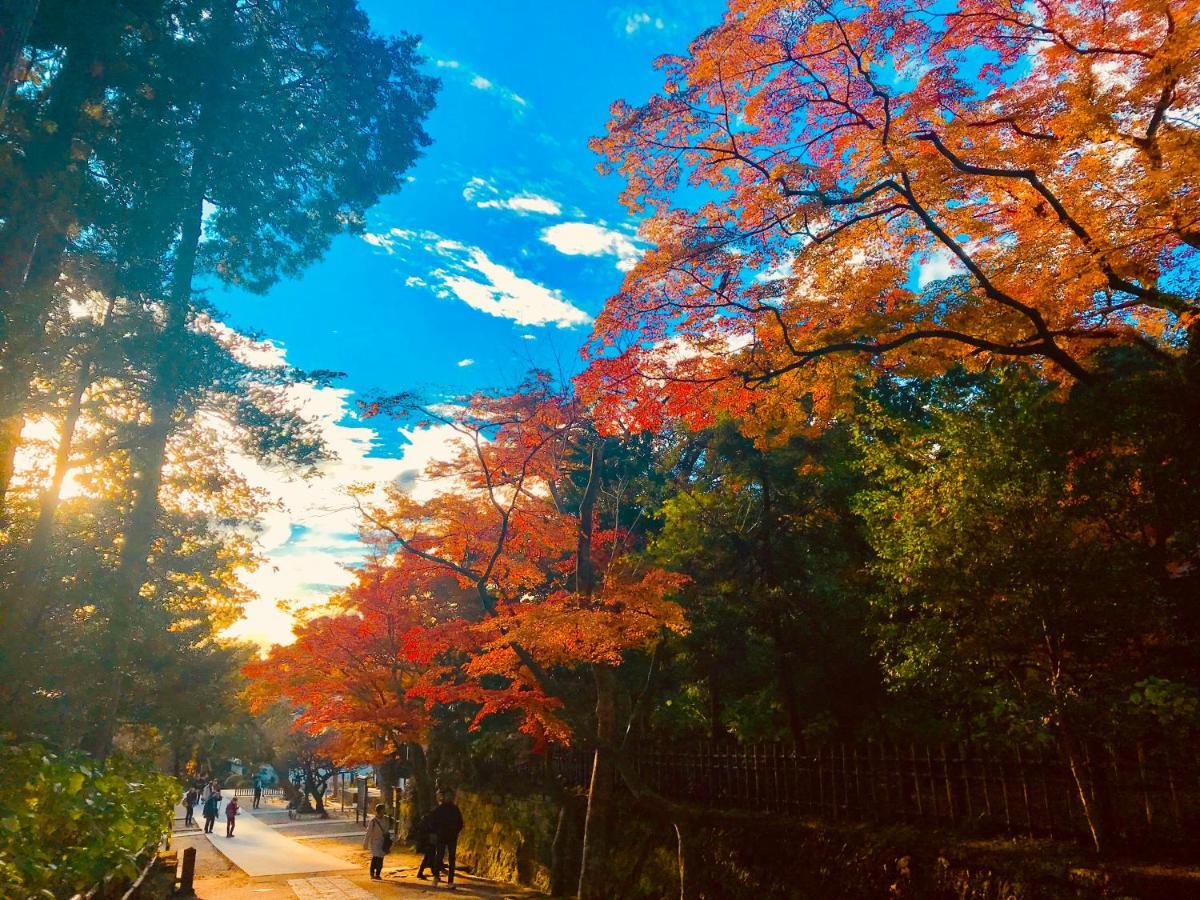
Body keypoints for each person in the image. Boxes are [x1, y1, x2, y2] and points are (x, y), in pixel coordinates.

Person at [426, 789, 464, 889]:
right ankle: (436, 877)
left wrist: (455, 831)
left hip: (450, 837)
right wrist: (437, 831)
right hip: (443, 836)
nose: (448, 797)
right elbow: (431, 821)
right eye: (447, 796)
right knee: (440, 857)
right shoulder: (440, 809)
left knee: (451, 858)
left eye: (450, 796)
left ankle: (449, 881)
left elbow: (460, 823)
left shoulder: (454, 809)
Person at [362, 803, 391, 880]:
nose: (384, 811)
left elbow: (387, 831)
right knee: (375, 857)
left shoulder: (385, 819)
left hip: (382, 842)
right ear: (380, 810)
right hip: (374, 842)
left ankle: (378, 873)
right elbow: (368, 833)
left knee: (381, 858)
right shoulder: (373, 821)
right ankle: (372, 873)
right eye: (383, 809)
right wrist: (365, 843)